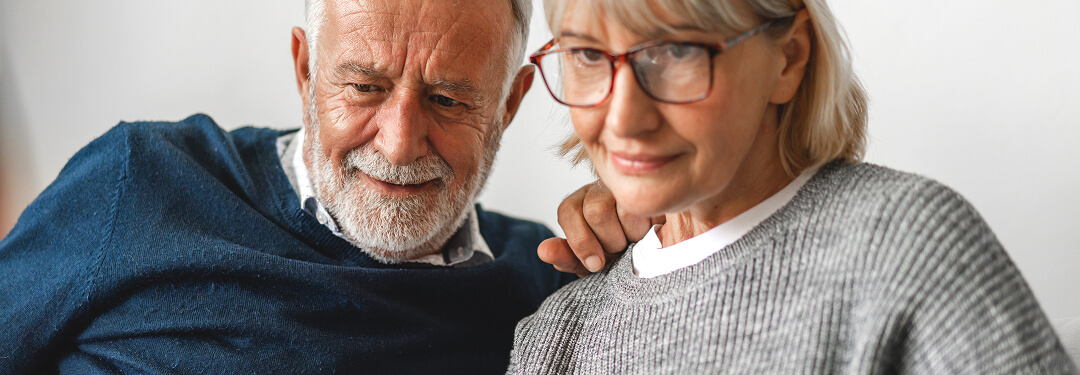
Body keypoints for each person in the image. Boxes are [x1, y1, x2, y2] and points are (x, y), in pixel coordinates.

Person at [0, 0, 594, 373]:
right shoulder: (140, 182)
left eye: (447, 100)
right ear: (305, 69)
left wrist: (645, 239)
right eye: (364, 88)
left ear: (509, 104)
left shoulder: (545, 281)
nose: (398, 142)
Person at [509, 0, 1079, 373]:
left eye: (676, 50)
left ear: (789, 57)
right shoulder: (557, 333)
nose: (624, 118)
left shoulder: (909, 247)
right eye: (586, 54)